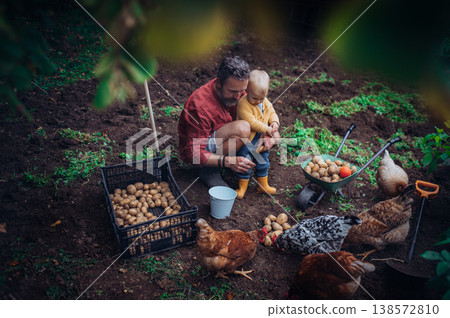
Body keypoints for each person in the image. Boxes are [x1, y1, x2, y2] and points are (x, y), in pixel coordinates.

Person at [234, 70, 280, 199]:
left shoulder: (264, 101)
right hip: (247, 139)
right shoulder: (243, 104)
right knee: (246, 161)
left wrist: (275, 122)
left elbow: (272, 112)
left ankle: (262, 185)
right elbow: (252, 122)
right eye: (254, 98)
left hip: (261, 138)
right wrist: (267, 129)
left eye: (262, 98)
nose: (258, 101)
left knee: (263, 160)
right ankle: (242, 187)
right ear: (247, 90)